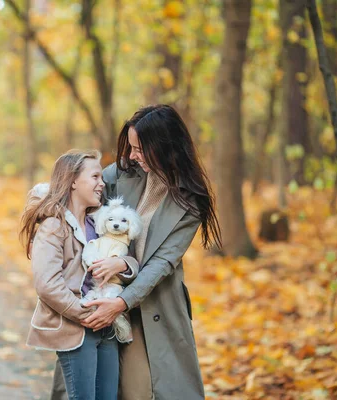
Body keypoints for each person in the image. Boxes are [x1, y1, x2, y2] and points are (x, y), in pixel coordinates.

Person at [51, 105, 222, 400]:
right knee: (90, 388)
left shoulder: (190, 202)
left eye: (139, 149)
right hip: (98, 292)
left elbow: (162, 263)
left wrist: (121, 298)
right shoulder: (120, 174)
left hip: (149, 306)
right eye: (130, 148)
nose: (131, 156)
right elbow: (76, 199)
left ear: (164, 147)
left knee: (138, 391)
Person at [20, 150, 140, 400]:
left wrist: (122, 265)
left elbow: (126, 257)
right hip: (77, 329)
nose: (102, 183)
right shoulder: (54, 226)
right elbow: (47, 285)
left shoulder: (100, 223)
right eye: (95, 176)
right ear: (73, 181)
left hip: (107, 327)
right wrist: (86, 314)